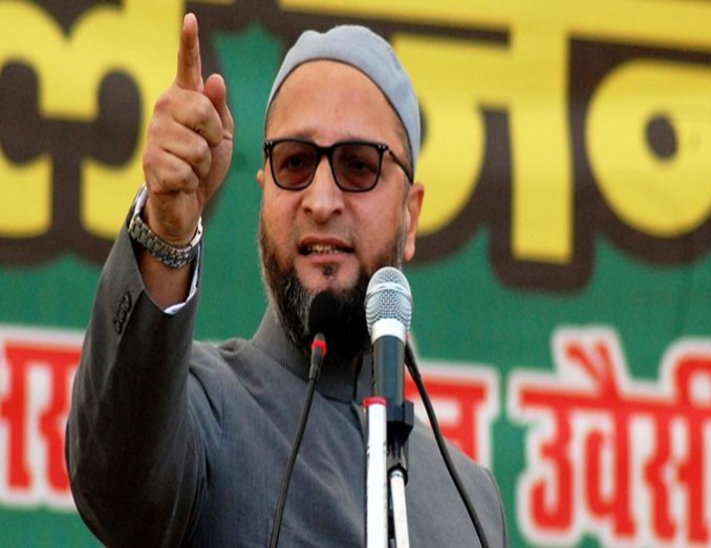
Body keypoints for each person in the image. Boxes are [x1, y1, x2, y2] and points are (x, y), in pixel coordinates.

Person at [66, 12, 507, 548]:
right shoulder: (203, 410)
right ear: (265, 192)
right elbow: (116, 483)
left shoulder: (468, 503)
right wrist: (166, 228)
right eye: (295, 163)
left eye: (358, 166)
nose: (321, 201)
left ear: (409, 217)